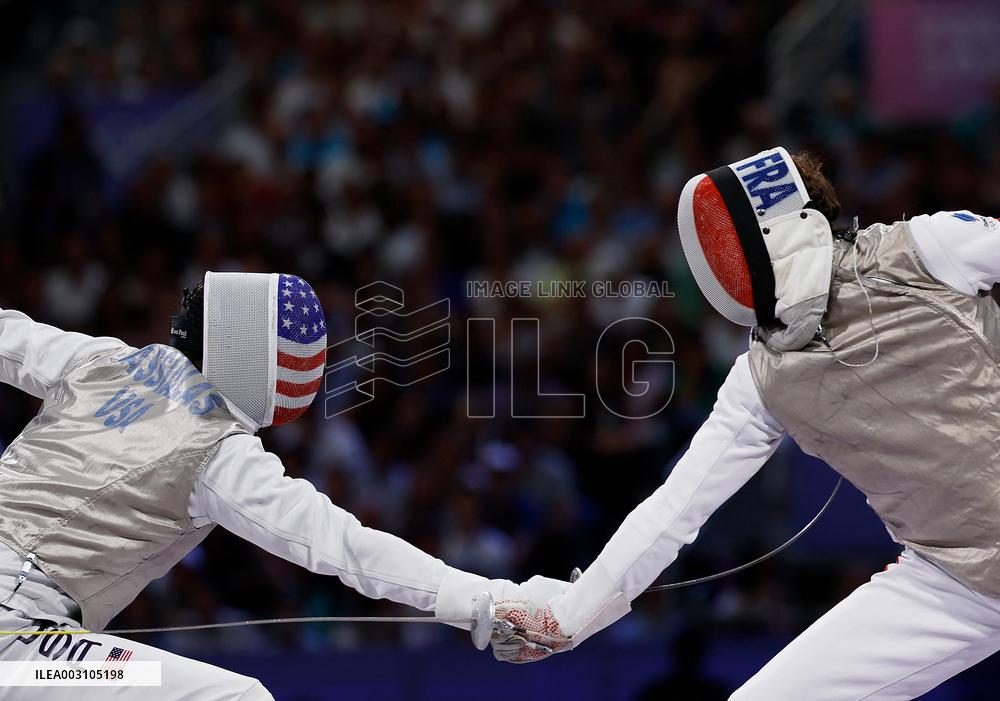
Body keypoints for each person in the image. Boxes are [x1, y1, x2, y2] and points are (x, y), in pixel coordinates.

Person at [490, 146, 1000, 700]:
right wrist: (569, 617)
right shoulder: (760, 379)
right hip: (951, 581)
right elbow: (674, 510)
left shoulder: (923, 249)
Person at [0, 271, 564, 700]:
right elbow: (342, 545)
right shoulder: (217, 452)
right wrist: (484, 600)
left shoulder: (99, 359)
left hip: (37, 646)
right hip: (16, 643)